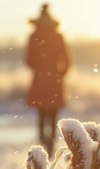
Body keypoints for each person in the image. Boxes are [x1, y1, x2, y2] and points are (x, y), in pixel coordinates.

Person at [26, 4, 70, 156]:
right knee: (53, 114)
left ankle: (42, 147)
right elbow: (67, 59)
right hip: (54, 79)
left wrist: (39, 69)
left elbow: (29, 60)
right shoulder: (58, 36)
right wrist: (60, 74)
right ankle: (50, 146)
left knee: (41, 113)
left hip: (39, 79)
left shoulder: (33, 36)